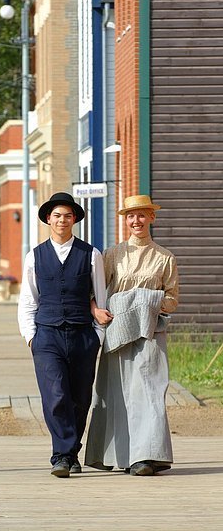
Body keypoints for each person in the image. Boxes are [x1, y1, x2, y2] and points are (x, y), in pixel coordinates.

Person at [85, 194, 179, 476]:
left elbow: (172, 300)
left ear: (152, 217)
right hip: (117, 331)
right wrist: (96, 310)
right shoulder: (113, 254)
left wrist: (144, 302)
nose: (136, 220)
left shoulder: (165, 257)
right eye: (130, 216)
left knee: (150, 392)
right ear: (125, 220)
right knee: (116, 393)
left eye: (141, 215)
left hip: (150, 332)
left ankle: (147, 456)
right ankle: (113, 454)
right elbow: (95, 293)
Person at [18, 192, 107, 478]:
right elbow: (28, 299)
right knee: (56, 396)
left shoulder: (91, 254)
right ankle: (62, 455)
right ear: (48, 219)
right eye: (57, 215)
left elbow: (100, 298)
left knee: (80, 398)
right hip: (47, 335)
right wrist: (30, 335)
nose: (62, 220)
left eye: (67, 215)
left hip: (83, 335)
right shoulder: (35, 256)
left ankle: (70, 453)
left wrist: (99, 335)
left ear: (74, 220)